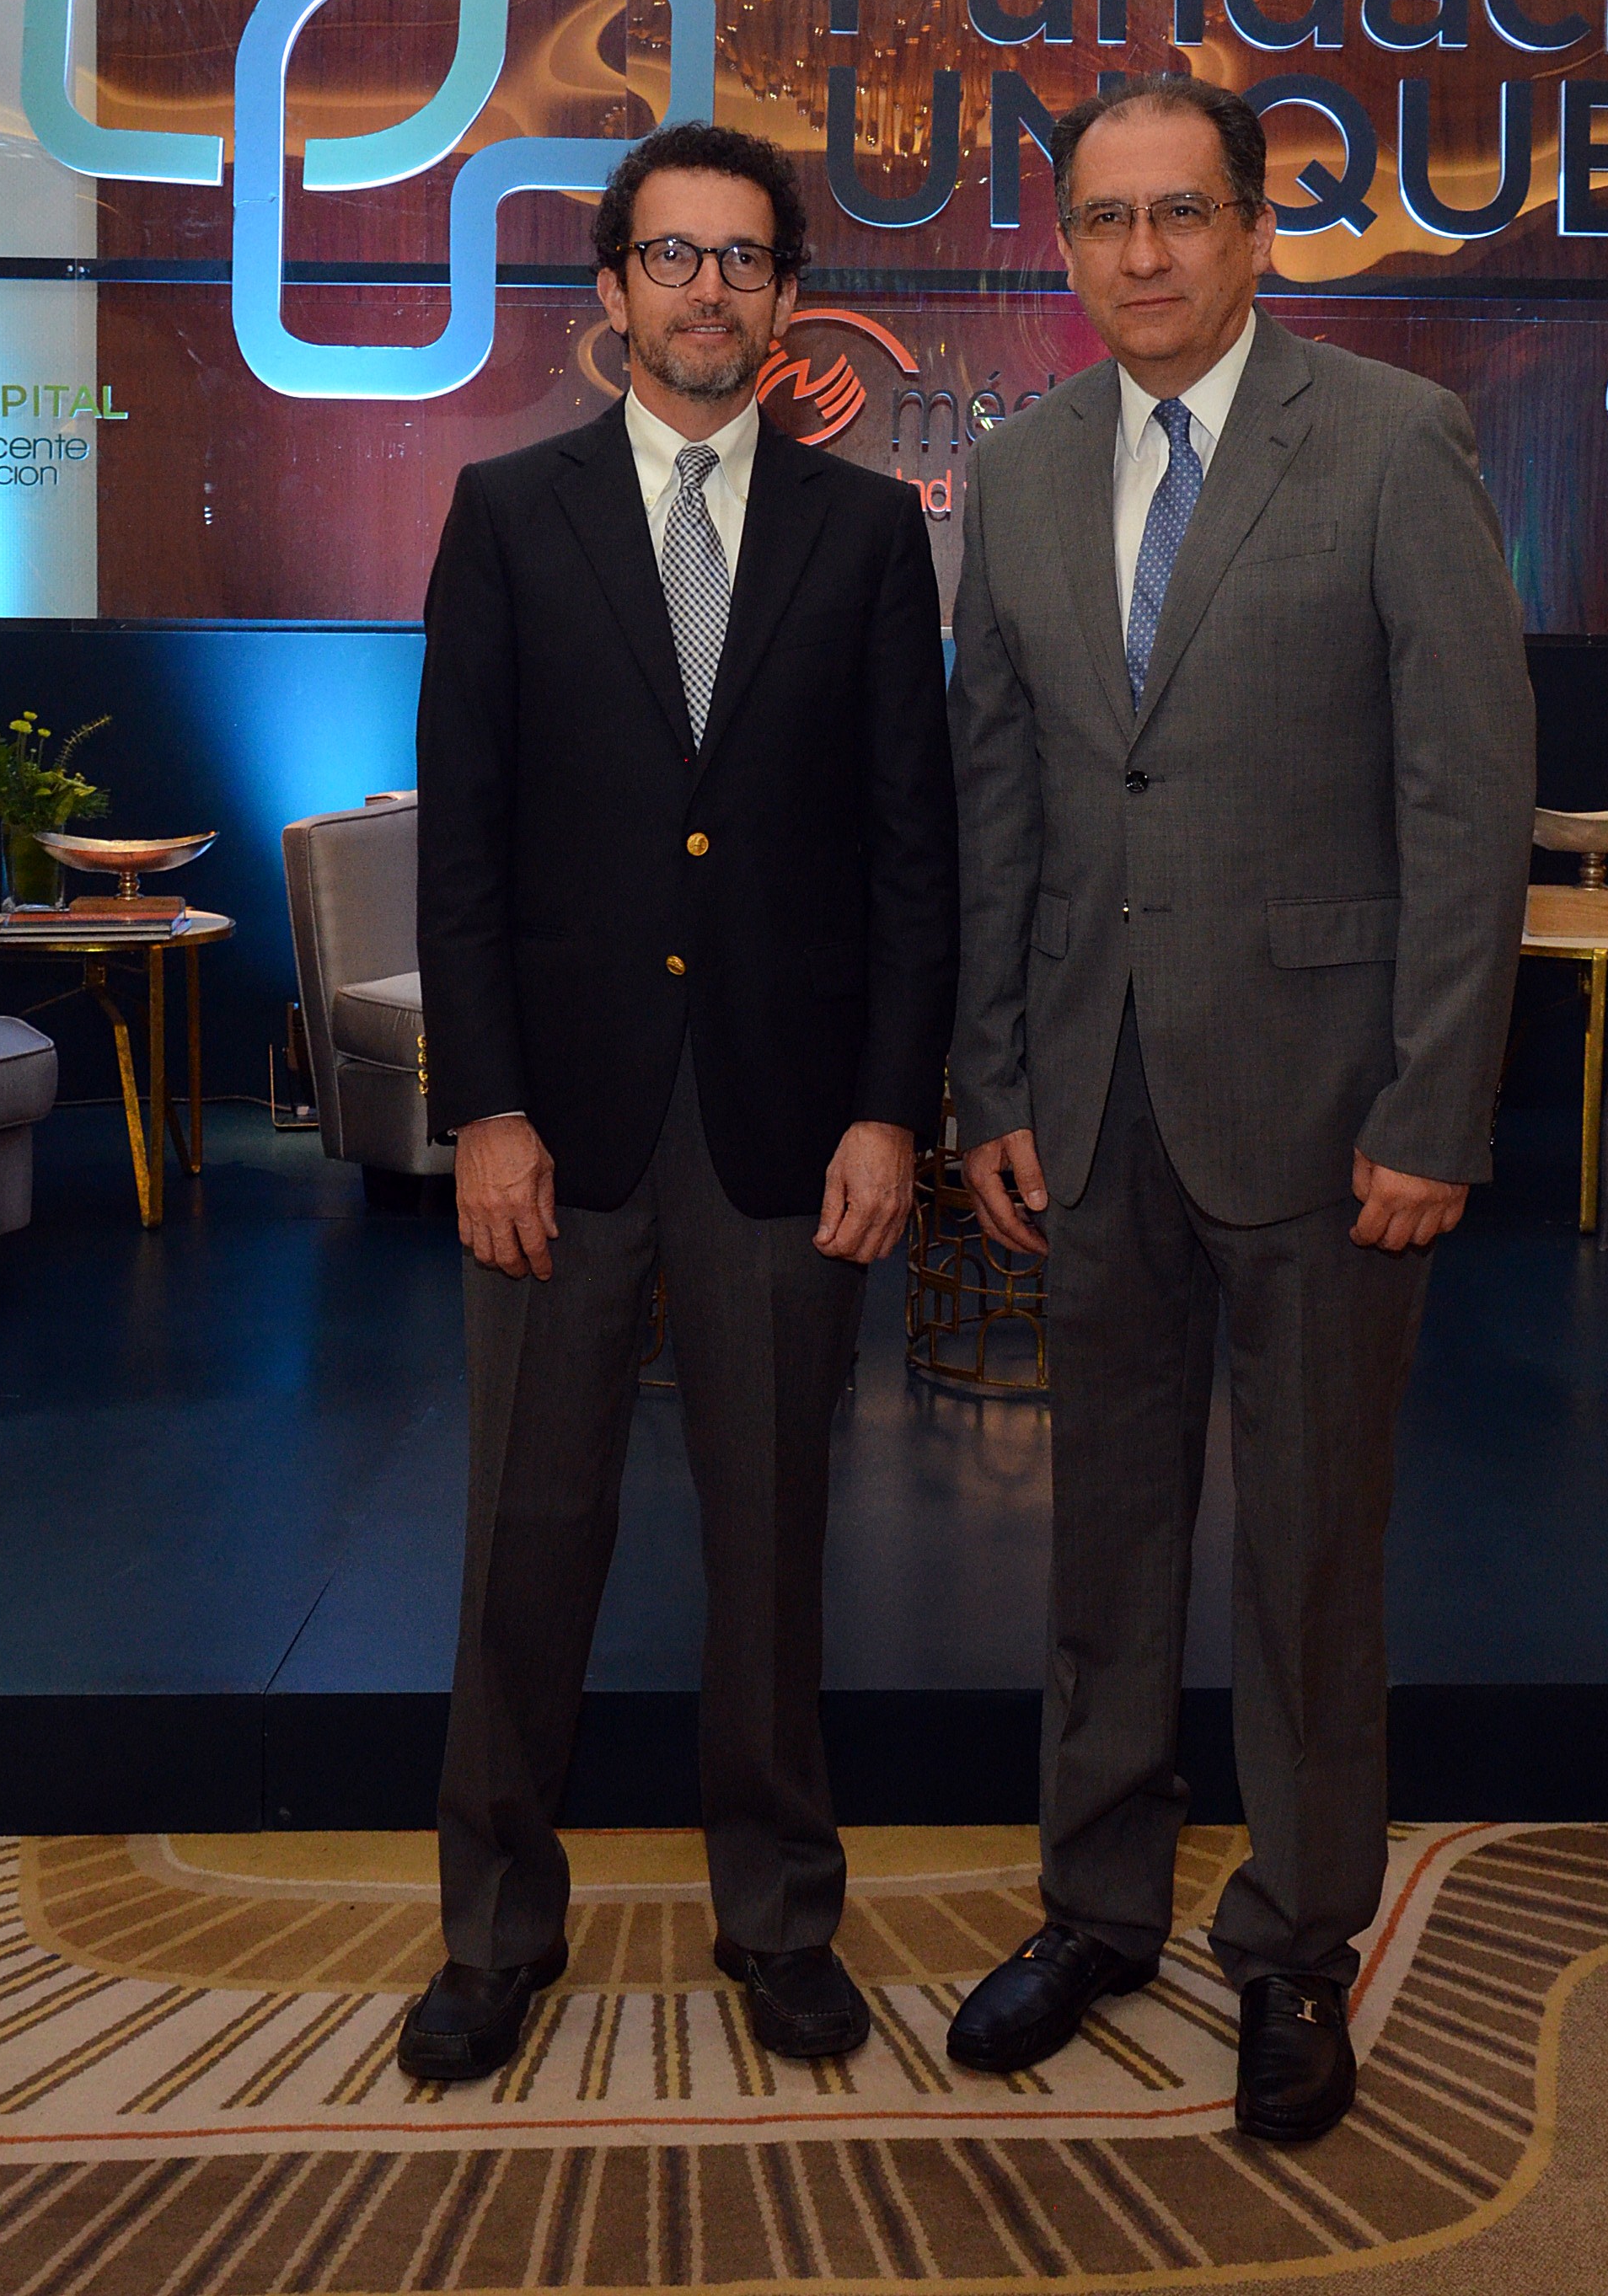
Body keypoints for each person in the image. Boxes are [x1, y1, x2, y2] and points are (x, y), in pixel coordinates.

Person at [944, 74, 1533, 2144]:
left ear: (1258, 229)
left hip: (1328, 1107)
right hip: (1088, 1102)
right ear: (1067, 246)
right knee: (1100, 1540)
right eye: (1105, 221)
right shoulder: (1018, 467)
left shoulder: (1390, 441)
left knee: (1305, 1557)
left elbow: (1469, 798)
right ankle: (1098, 1908)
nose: (1144, 254)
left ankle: (1293, 1944)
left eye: (1181, 213)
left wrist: (1436, 1104)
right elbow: (1001, 802)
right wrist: (991, 1078)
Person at [401, 120, 957, 2084]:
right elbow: (461, 850)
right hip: (558, 1130)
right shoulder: (505, 515)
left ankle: (779, 1921)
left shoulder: (870, 534)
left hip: (789, 1130)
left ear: (786, 295)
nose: (707, 288)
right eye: (672, 254)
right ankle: (493, 1931)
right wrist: (484, 1109)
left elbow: (914, 860)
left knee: (775, 1551)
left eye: (741, 257)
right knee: (524, 1542)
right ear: (614, 289)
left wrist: (892, 1112)